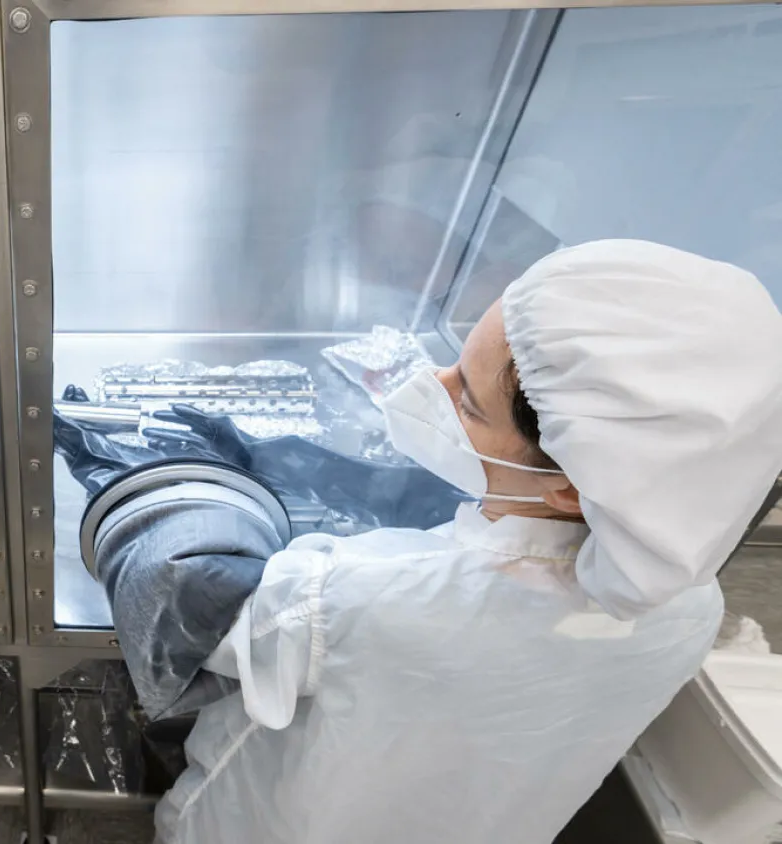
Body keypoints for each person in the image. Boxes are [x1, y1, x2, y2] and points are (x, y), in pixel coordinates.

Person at [57, 239, 782, 844]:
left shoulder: (367, 603)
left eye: (466, 395)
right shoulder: (691, 605)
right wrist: (274, 454)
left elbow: (184, 597)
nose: (433, 384)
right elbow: (498, 512)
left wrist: (156, 482)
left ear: (571, 481)